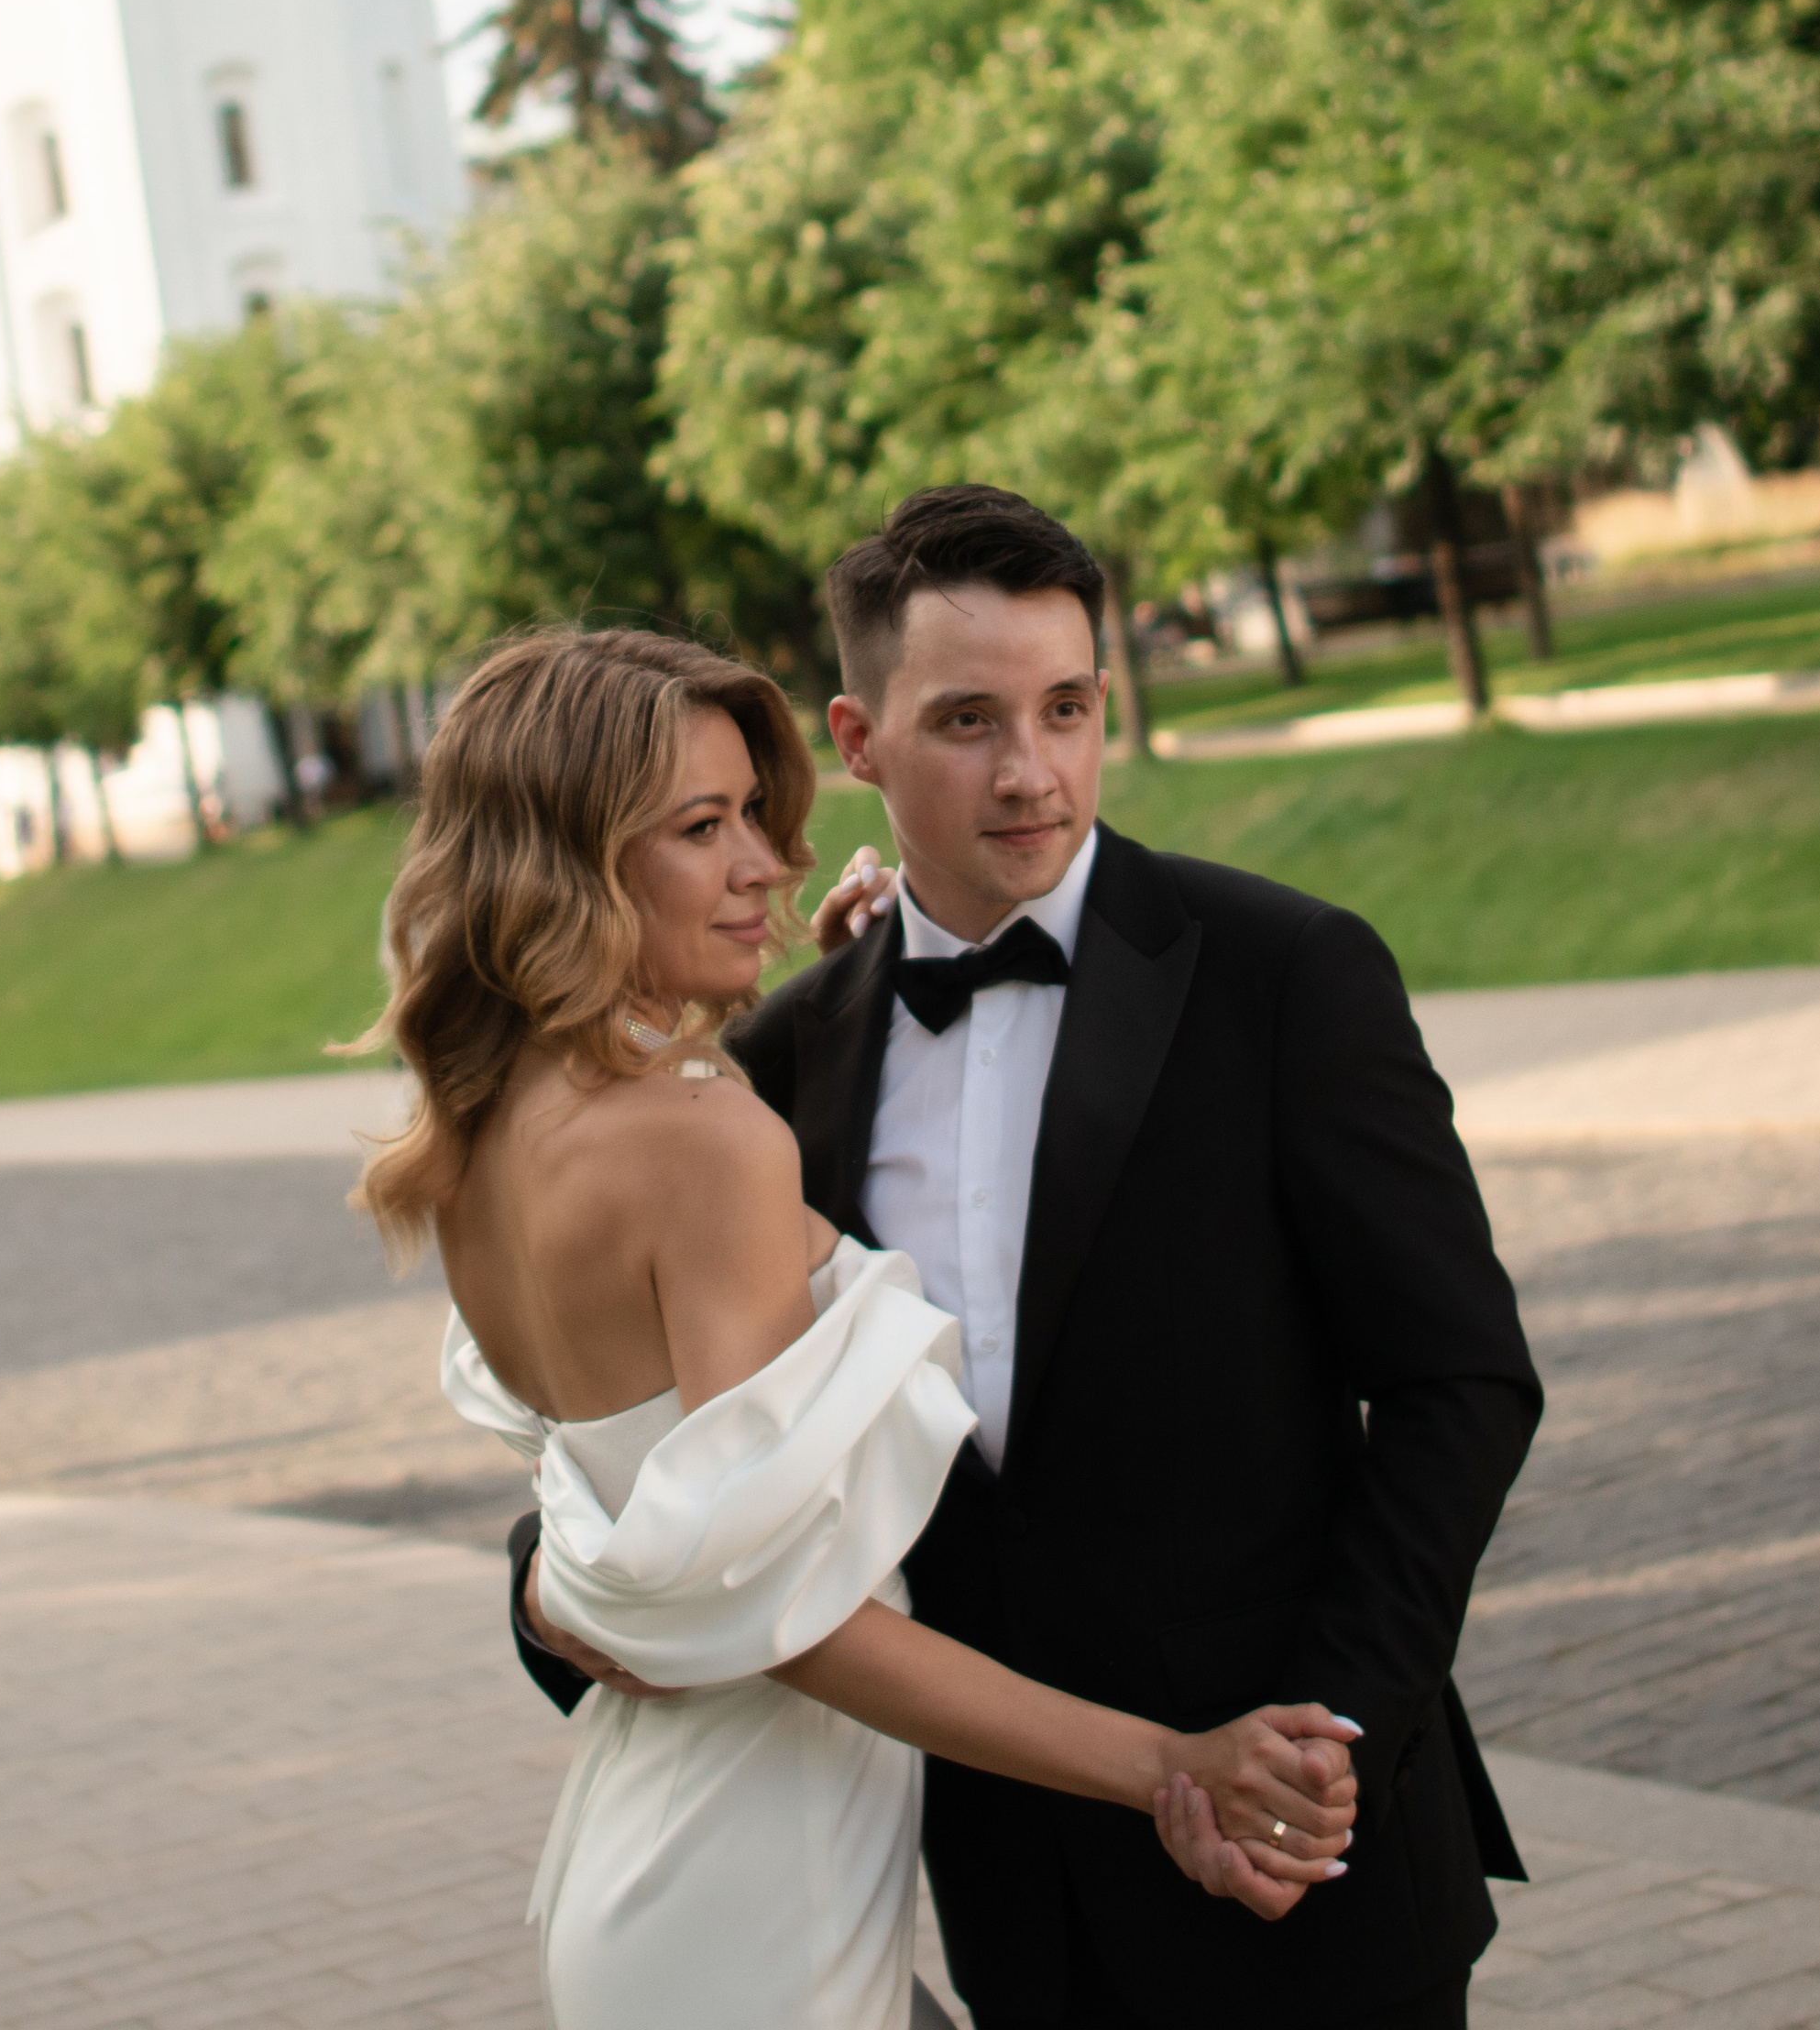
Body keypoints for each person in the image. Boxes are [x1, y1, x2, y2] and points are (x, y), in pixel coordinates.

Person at [513, 489, 1542, 2030]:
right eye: (968, 720)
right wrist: (548, 1594)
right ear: (858, 743)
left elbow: (1461, 1379)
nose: (1029, 772)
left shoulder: (1286, 975)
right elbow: (648, 1448)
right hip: (1003, 1883)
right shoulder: (777, 1070)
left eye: (1067, 710)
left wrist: (1332, 1732)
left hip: (1297, 1861)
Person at [355, 624, 1361, 2030]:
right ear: (570, 863)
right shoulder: (708, 1147)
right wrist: (1165, 1763)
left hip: (656, 1844)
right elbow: (797, 1620)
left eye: (757, 817)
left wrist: (846, 1004)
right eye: (703, 829)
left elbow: (624, 1483)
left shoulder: (480, 1139)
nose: (764, 865)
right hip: (762, 1873)